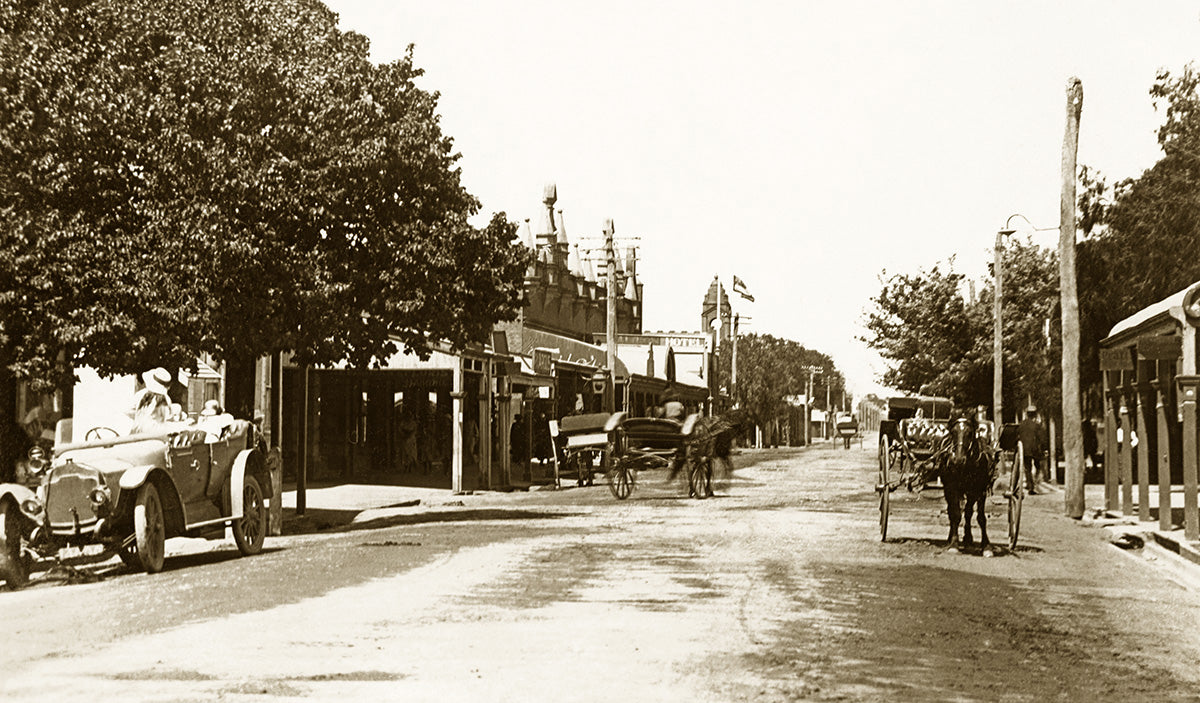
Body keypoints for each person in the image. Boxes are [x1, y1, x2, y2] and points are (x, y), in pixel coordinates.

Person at [1018, 407, 1046, 493]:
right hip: (1035, 450)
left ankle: (1030, 485)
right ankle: (1034, 482)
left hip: (1024, 450)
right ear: (1034, 414)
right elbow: (1041, 439)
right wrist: (1044, 449)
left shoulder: (1021, 424)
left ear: (1027, 414)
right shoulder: (1037, 425)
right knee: (1038, 466)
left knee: (1028, 468)